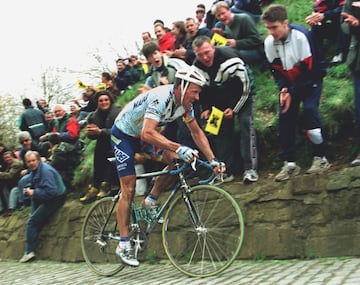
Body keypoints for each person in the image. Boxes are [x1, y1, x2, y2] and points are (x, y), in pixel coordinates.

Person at [111, 67, 224, 266]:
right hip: (124, 135)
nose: (197, 97)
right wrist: (179, 147)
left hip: (146, 135)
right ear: (183, 87)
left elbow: (197, 132)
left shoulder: (184, 105)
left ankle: (151, 200)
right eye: (195, 92)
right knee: (128, 188)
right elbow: (147, 133)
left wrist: (213, 159)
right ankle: (123, 243)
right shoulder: (161, 97)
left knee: (176, 161)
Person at [262, 4, 330, 182]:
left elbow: (310, 71)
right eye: (268, 28)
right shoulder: (269, 42)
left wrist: (292, 91)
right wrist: (284, 89)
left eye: (274, 27)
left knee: (309, 111)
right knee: (285, 116)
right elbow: (276, 70)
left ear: (285, 23)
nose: (271, 32)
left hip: (311, 80)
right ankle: (290, 163)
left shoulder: (301, 37)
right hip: (291, 85)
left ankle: (321, 157)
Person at [192, 35, 259, 184]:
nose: (205, 57)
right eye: (200, 54)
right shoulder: (196, 67)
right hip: (219, 99)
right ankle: (224, 171)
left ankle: (250, 169)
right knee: (216, 130)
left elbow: (246, 87)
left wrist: (235, 109)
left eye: (207, 52)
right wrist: (206, 108)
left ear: (213, 48)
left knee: (245, 124)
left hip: (242, 95)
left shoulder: (230, 59)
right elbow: (201, 89)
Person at [19, 151, 66, 263]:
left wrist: (34, 193)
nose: (31, 163)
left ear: (38, 160)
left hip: (56, 198)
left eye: (33, 161)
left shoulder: (46, 171)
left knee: (32, 221)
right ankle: (30, 244)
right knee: (33, 217)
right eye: (29, 162)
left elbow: (51, 191)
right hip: (44, 196)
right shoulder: (35, 170)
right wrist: (30, 191)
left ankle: (29, 252)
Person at [79, 91, 121, 203]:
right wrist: (91, 133)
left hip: (118, 142)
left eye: (106, 100)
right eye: (101, 101)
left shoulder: (117, 112)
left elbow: (118, 131)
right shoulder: (94, 116)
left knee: (109, 152)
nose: (104, 102)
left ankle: (106, 184)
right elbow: (92, 136)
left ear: (110, 100)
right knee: (99, 151)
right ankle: (95, 186)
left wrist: (100, 131)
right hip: (104, 142)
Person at [211, 1, 265, 66]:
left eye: (223, 13)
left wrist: (237, 43)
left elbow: (257, 39)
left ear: (229, 10)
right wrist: (223, 34)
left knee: (231, 55)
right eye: (218, 15)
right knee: (217, 44)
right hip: (242, 48)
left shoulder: (243, 19)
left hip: (256, 51)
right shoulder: (226, 24)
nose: (222, 17)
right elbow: (234, 35)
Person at [342, 0, 360, 166]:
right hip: (358, 62)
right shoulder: (350, 2)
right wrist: (352, 24)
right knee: (359, 109)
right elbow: (344, 27)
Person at [305, 0, 348, 64]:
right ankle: (318, 56)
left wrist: (325, 15)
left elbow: (345, 9)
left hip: (350, 28)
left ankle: (339, 53)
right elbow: (319, 7)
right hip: (333, 25)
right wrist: (315, 17)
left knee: (344, 22)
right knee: (315, 26)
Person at [0, 151, 23, 216]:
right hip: (13, 183)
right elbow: (6, 173)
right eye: (5, 158)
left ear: (12, 156)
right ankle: (6, 208)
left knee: (12, 190)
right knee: (3, 187)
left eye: (8, 157)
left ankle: (11, 208)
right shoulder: (9, 164)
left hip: (19, 184)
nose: (7, 159)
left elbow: (10, 175)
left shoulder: (16, 164)